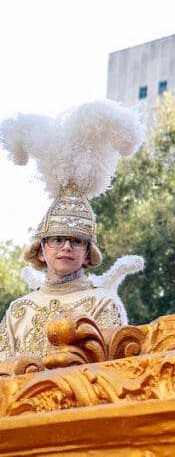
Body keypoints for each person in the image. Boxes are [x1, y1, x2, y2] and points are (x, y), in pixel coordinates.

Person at [0, 100, 146, 360]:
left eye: (76, 241)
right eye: (57, 239)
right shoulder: (18, 310)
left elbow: (112, 371)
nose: (66, 247)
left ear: (87, 253)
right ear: (41, 251)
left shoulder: (103, 303)